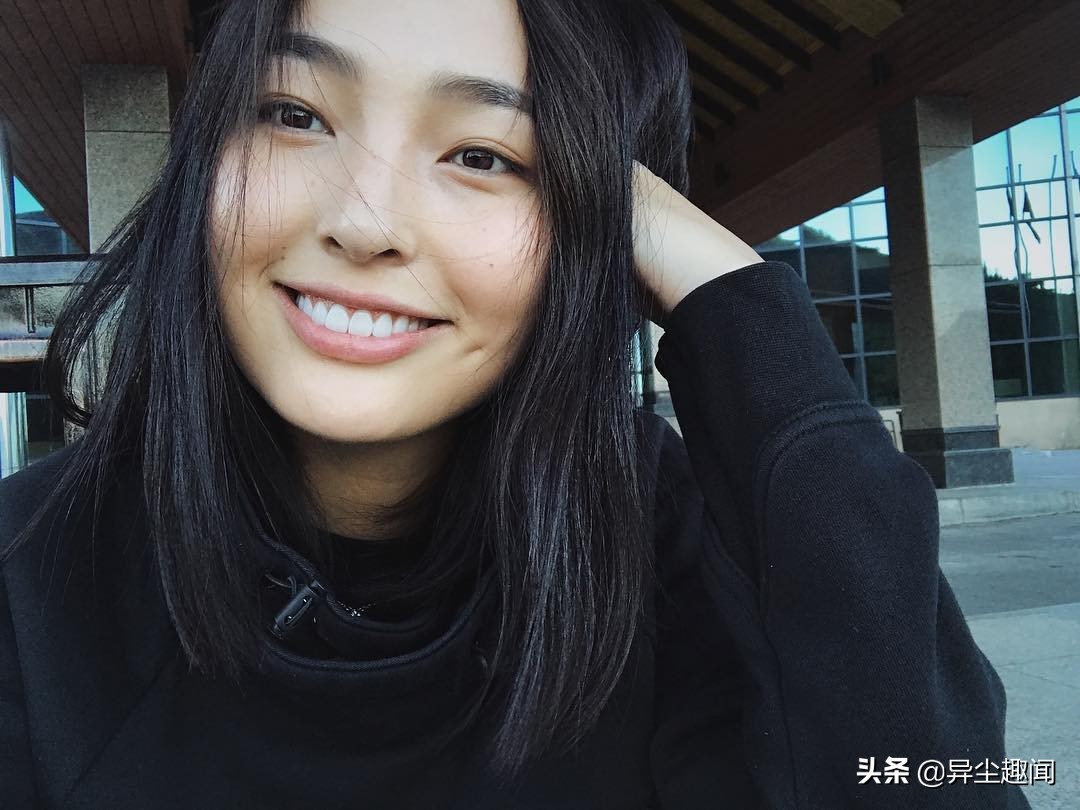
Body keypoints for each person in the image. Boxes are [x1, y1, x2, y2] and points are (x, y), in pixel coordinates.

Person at [0, 0, 1029, 807]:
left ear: (599, 225)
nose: (365, 222)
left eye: (483, 155)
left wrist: (734, 302)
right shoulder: (32, 575)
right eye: (294, 114)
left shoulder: (674, 556)